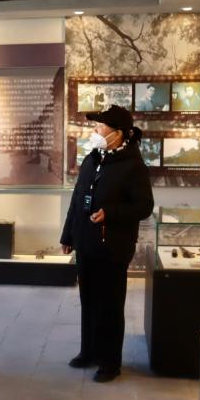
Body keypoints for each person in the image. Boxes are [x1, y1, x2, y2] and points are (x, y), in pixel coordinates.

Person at [60, 105, 154, 383]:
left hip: (113, 247)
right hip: (86, 243)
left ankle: (110, 362)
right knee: (88, 300)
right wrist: (68, 235)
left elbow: (144, 206)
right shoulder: (93, 159)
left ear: (118, 134)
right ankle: (89, 351)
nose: (95, 131)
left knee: (110, 305)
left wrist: (110, 213)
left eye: (100, 127)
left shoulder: (133, 166)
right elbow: (77, 198)